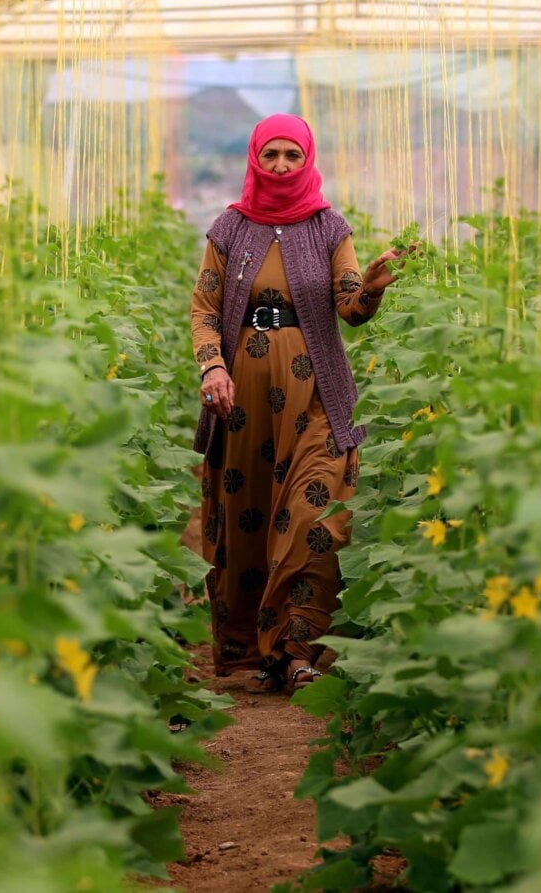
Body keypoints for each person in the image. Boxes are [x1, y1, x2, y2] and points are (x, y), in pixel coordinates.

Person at [186, 113, 416, 694]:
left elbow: (350, 307)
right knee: (250, 518)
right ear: (255, 160)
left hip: (316, 393)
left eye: (293, 155)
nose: (283, 166)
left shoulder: (328, 226)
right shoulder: (230, 228)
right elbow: (205, 308)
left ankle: (297, 651)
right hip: (243, 405)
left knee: (315, 518)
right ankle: (259, 650)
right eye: (272, 156)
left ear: (308, 158)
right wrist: (212, 364)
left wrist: (370, 286)